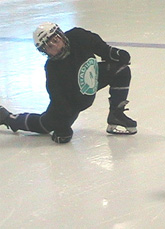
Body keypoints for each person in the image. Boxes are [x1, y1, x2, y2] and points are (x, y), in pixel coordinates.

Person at [0, 22, 137, 143]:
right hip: (72, 103)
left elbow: (101, 48)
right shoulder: (52, 68)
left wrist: (115, 53)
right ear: (44, 51)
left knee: (121, 70)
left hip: (93, 79)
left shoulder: (78, 36)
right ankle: (8, 118)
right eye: (48, 46)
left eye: (55, 40)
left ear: (61, 35)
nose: (55, 47)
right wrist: (62, 126)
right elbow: (58, 100)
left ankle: (116, 115)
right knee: (45, 125)